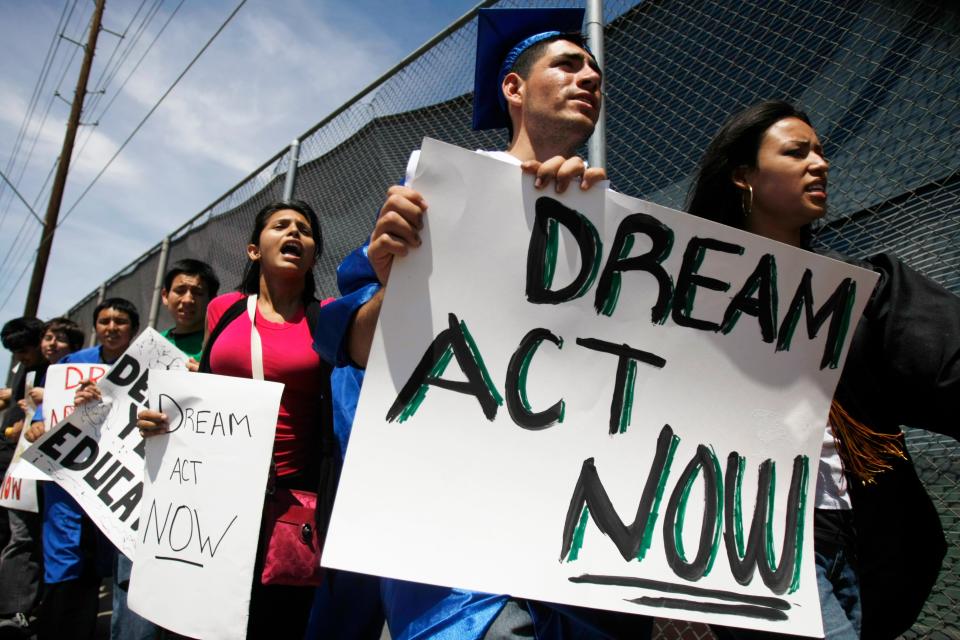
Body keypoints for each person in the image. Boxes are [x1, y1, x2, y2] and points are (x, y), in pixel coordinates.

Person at [311, 8, 649, 640]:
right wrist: (401, 285)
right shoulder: (432, 204)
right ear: (514, 88)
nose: (590, 79)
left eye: (596, 72)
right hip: (464, 560)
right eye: (568, 64)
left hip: (573, 541)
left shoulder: (623, 238)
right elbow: (353, 351)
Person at [685, 100, 960, 640]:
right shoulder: (686, 293)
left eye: (821, 150)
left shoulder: (862, 295)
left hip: (855, 534)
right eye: (796, 152)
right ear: (744, 176)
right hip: (753, 534)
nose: (821, 163)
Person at [138, 200, 338, 639]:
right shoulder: (223, 309)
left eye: (304, 230)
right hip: (213, 497)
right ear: (253, 250)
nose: (294, 234)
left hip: (287, 504)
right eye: (281, 226)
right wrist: (160, 421)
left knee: (273, 622)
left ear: (313, 254)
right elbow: (204, 391)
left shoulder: (327, 319)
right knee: (194, 622)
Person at [25, 298, 140, 640]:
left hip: (113, 483)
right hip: (68, 485)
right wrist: (37, 423)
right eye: (105, 321)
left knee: (96, 568)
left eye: (120, 321)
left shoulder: (143, 369)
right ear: (96, 327)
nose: (112, 327)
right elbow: (45, 414)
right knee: (64, 566)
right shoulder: (72, 365)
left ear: (132, 329)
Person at [0, 317, 47, 635]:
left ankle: (17, 608)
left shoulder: (54, 370)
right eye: (15, 352)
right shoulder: (23, 370)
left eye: (24, 350)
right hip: (13, 462)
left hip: (34, 466)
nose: (19, 357)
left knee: (24, 537)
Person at [159, 258, 220, 370]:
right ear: (165, 296)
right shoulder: (153, 342)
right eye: (180, 291)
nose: (187, 300)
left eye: (198, 293)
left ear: (212, 300)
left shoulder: (221, 344)